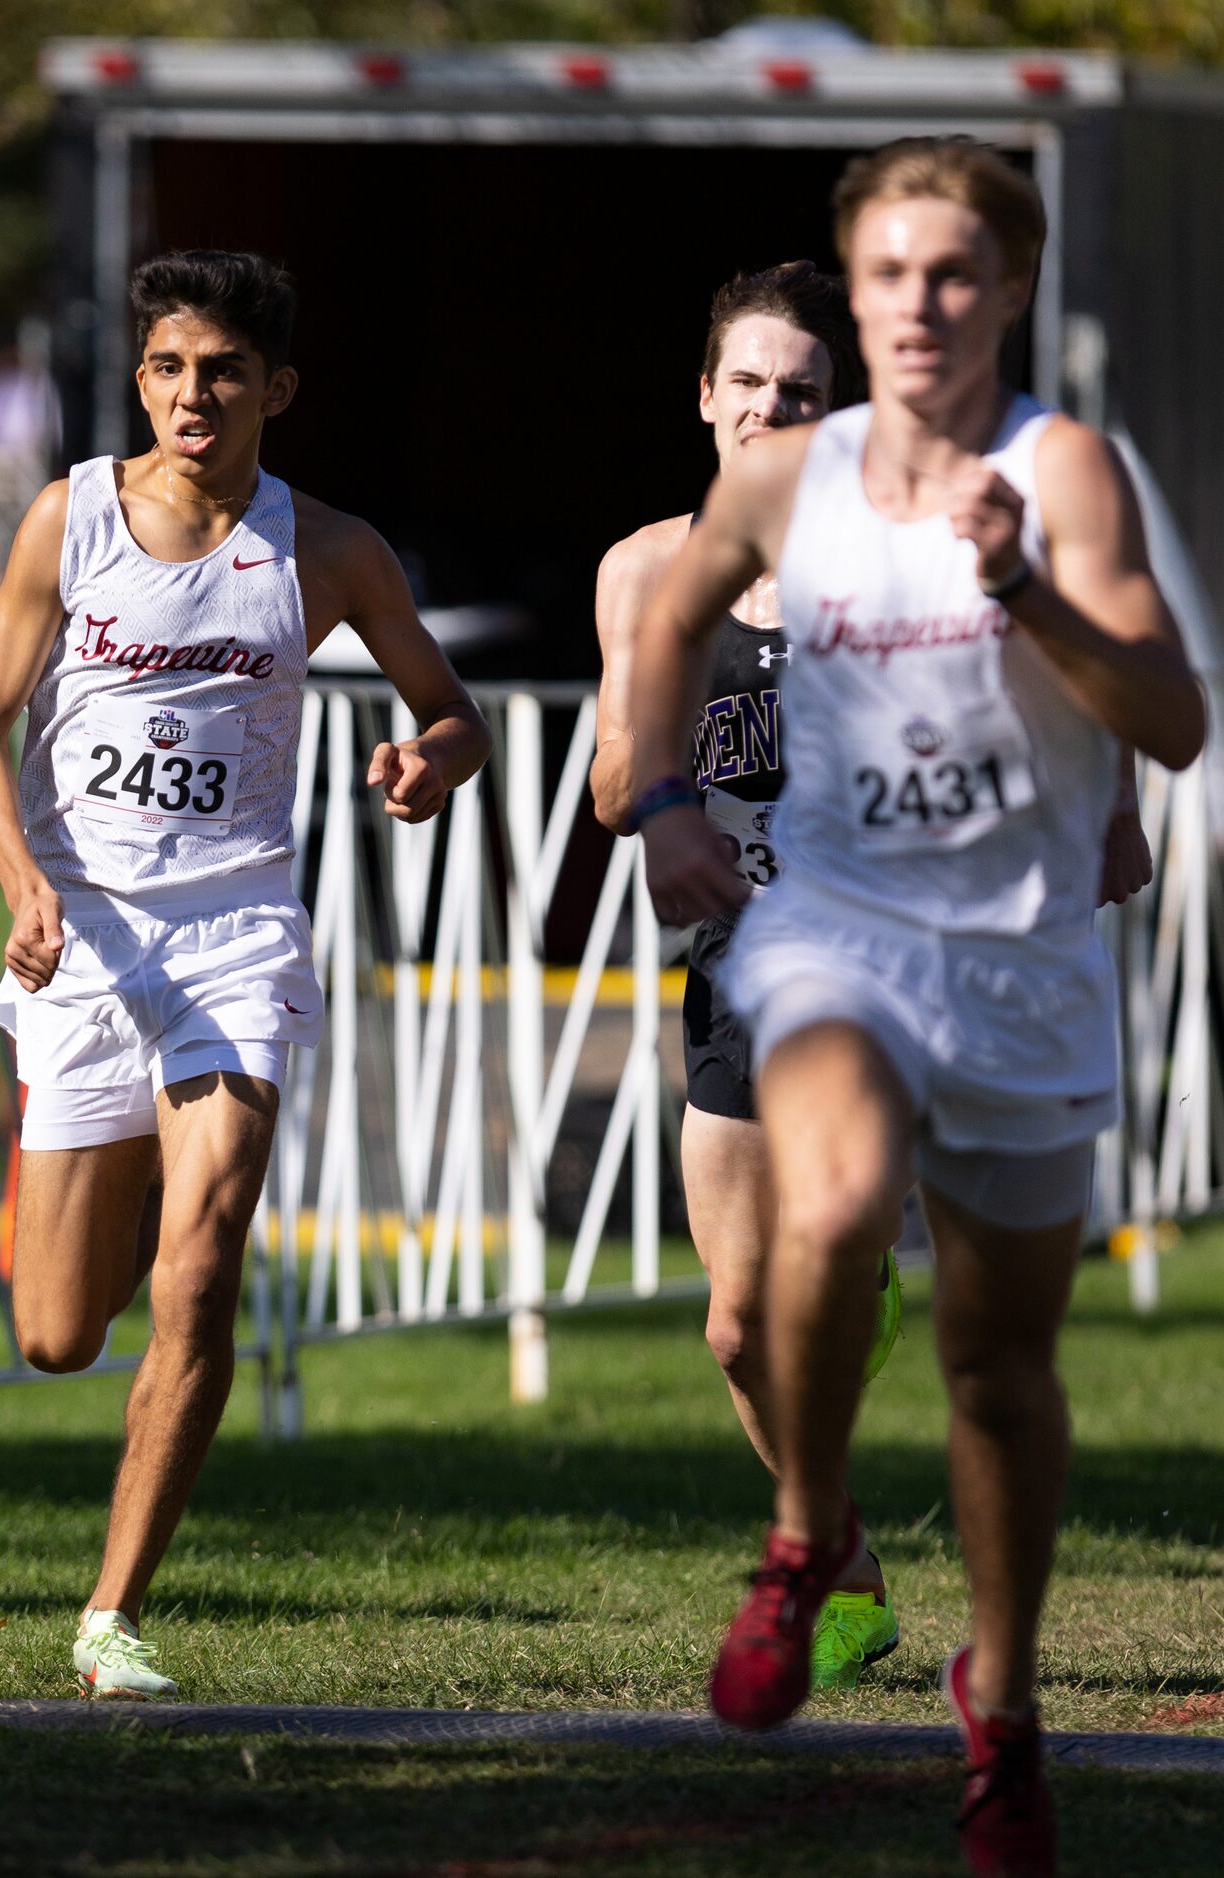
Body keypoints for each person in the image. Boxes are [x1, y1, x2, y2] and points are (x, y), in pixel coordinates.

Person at [629, 139, 1201, 1876]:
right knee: (817, 1196)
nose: (919, 305)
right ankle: (806, 1533)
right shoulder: (784, 481)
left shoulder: (1063, 470)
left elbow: (1167, 720)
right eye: (887, 275)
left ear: (1008, 289)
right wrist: (659, 806)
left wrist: (1021, 582)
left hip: (1017, 960)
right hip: (836, 931)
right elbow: (659, 621)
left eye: (952, 275)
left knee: (997, 1374)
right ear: (853, 288)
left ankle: (1001, 1702)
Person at [0, 249, 490, 1699]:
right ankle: (86, 1193)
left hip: (235, 936)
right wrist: (24, 879)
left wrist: (421, 762)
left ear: (277, 390)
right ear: (142, 380)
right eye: (173, 368)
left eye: (226, 371)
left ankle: (111, 1616)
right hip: (85, 938)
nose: (197, 394)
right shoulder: (68, 518)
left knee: (204, 1265)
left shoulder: (325, 550)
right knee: (61, 1332)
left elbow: (454, 711)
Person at [592, 262, 905, 1694]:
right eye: (750, 385)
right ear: (705, 398)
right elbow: (610, 782)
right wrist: (653, 792)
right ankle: (835, 1551)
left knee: (813, 1264)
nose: (771, 408)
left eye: (802, 391)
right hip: (736, 961)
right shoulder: (649, 568)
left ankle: (855, 1279)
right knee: (731, 1321)